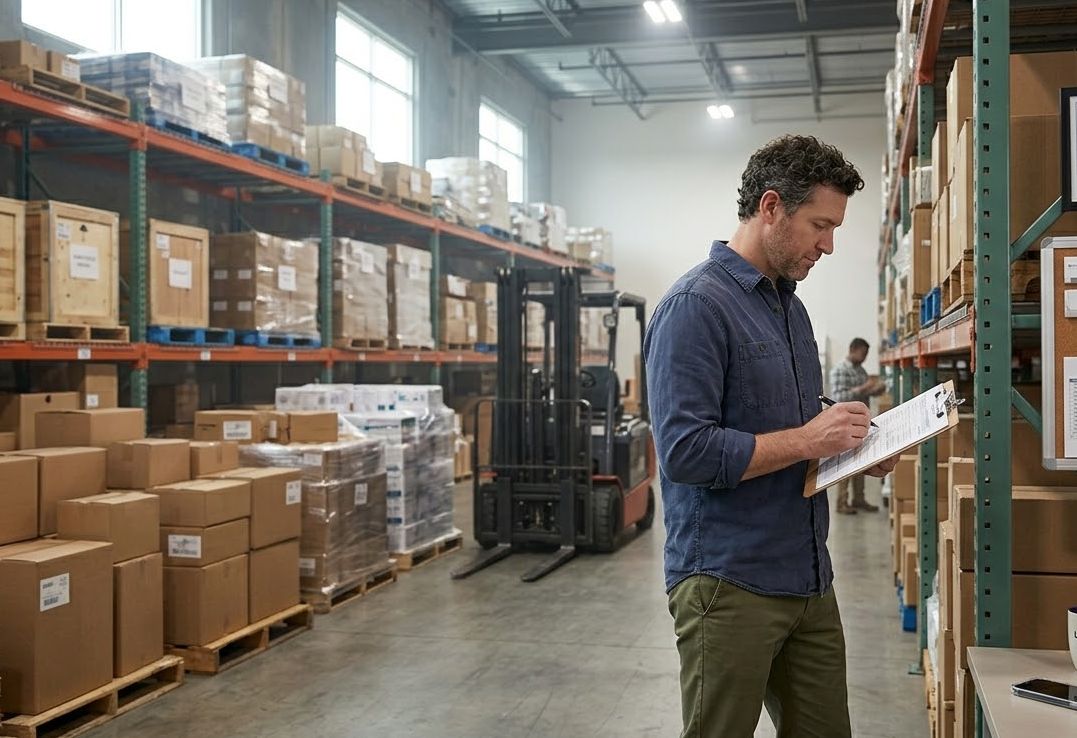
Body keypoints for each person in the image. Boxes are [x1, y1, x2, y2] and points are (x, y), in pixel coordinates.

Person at [644, 135, 900, 738]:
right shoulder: (695, 307)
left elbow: (794, 423)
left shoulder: (791, 309)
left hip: (808, 575)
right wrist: (810, 440)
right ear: (771, 207)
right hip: (728, 582)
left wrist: (853, 448)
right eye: (820, 225)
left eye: (834, 228)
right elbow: (684, 452)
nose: (828, 245)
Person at [829, 337, 887, 515]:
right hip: (845, 424)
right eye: (863, 353)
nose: (864, 358)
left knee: (861, 461)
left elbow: (865, 392)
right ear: (853, 349)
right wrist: (863, 388)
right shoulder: (840, 370)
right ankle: (841, 503)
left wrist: (876, 389)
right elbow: (838, 398)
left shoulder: (860, 370)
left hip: (861, 423)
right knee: (845, 464)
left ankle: (859, 499)